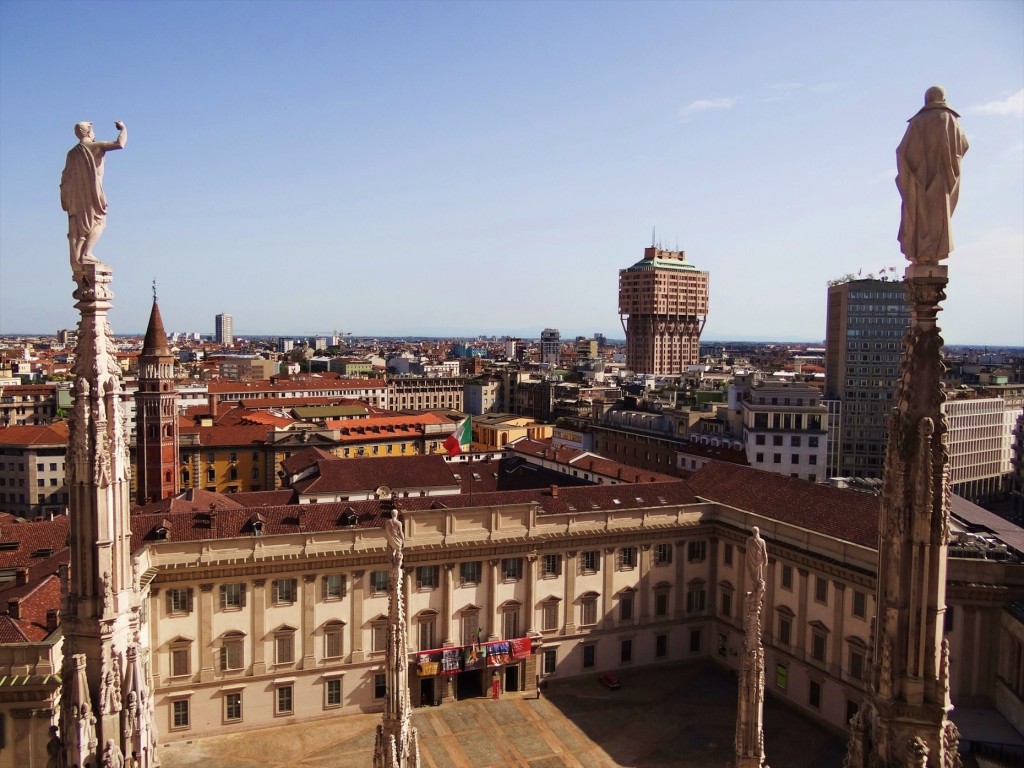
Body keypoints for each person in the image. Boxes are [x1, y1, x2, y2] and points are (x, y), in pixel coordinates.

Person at [896, 87, 968, 264]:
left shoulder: (918, 121)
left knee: (920, 217)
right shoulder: (952, 120)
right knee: (938, 217)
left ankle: (921, 253)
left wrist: (914, 174)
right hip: (943, 182)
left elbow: (902, 152)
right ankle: (933, 253)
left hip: (919, 183)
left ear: (927, 98)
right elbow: (963, 145)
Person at [60, 121, 127, 277]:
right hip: (94, 193)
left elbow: (66, 177)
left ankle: (81, 254)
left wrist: (66, 197)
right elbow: (120, 143)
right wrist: (123, 128)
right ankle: (86, 253)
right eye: (93, 130)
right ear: (89, 131)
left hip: (77, 195)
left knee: (80, 228)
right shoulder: (96, 146)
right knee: (100, 222)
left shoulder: (72, 153)